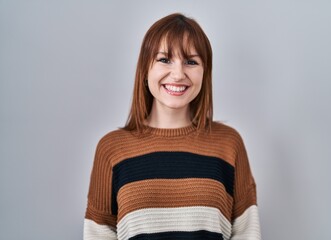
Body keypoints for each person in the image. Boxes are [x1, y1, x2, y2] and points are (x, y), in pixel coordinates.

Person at [84, 13, 261, 240]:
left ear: (204, 73)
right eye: (165, 59)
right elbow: (98, 234)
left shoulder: (228, 143)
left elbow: (247, 233)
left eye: (191, 62)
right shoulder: (112, 149)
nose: (178, 74)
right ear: (145, 70)